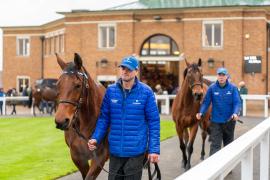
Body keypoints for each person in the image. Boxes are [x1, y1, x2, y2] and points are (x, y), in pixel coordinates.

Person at [88, 55, 160, 180]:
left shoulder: (146, 92)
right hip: (115, 152)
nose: (125, 71)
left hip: (136, 153)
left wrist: (154, 149)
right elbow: (104, 119)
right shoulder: (110, 91)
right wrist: (95, 138)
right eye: (123, 68)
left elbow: (154, 122)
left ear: (136, 71)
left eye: (129, 69)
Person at [196, 67, 241, 156]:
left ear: (226, 76)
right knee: (215, 146)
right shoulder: (212, 88)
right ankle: (213, 168)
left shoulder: (233, 88)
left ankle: (229, 169)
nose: (221, 77)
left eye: (223, 75)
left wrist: (235, 113)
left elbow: (237, 102)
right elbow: (206, 102)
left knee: (228, 145)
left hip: (229, 121)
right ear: (217, 76)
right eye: (219, 75)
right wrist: (201, 112)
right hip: (216, 122)